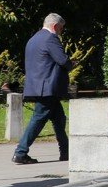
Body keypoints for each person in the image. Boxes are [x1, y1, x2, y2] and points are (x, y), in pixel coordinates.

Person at [13, 12, 71, 165]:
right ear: (54, 26)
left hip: (38, 86)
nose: (61, 31)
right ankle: (20, 152)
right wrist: (72, 63)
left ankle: (66, 152)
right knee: (38, 119)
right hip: (47, 88)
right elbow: (62, 60)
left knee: (59, 119)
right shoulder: (51, 38)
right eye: (61, 28)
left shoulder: (33, 39)